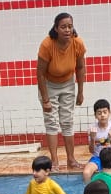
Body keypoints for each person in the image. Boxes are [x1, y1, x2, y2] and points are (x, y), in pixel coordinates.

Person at [36, 12, 87, 171]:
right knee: (51, 122)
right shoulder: (47, 45)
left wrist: (80, 92)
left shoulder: (78, 43)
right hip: (48, 84)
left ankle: (71, 160)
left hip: (68, 83)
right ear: (56, 28)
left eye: (70, 26)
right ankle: (55, 162)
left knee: (67, 121)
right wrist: (45, 99)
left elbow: (80, 68)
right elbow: (40, 73)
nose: (67, 30)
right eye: (63, 27)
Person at [83, 98, 111, 181]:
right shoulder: (92, 129)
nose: (102, 115)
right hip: (97, 157)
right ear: (95, 115)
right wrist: (92, 138)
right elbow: (91, 151)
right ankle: (89, 192)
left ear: (109, 113)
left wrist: (110, 138)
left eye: (105, 112)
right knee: (86, 173)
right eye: (99, 113)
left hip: (110, 157)